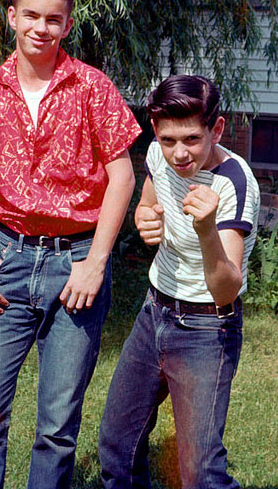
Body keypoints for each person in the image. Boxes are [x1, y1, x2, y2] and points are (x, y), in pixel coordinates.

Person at [0, 0, 142, 489]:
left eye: (53, 18)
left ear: (67, 24)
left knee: (57, 428)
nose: (41, 27)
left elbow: (123, 176)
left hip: (75, 265)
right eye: (31, 15)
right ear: (12, 17)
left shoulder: (93, 87)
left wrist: (96, 264)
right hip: (8, 263)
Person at [98, 75, 260, 489]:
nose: (179, 153)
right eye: (169, 139)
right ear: (155, 131)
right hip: (154, 314)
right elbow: (148, 204)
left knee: (200, 472)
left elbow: (226, 287)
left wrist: (207, 230)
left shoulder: (233, 184)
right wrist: (143, 219)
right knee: (118, 445)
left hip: (208, 328)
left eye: (191, 138)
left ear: (216, 129)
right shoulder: (157, 155)